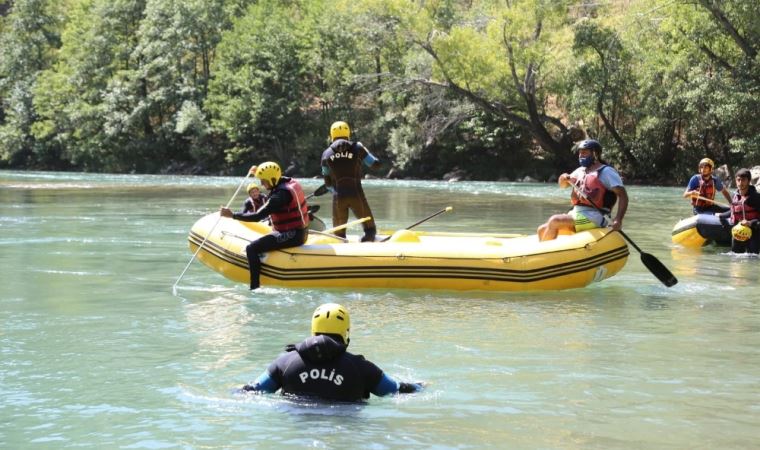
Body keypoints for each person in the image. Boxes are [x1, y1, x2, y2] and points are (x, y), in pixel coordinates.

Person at [241, 303, 424, 402]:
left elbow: (252, 390)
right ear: (346, 333)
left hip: (297, 431)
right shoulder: (361, 368)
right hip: (345, 432)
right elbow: (395, 390)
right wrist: (420, 386)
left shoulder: (285, 362)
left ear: (313, 330)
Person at [220, 161, 309, 290]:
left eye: (263, 180)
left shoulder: (279, 196)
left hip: (293, 235)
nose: (261, 184)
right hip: (300, 231)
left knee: (251, 248)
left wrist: (232, 215)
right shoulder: (288, 182)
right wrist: (257, 172)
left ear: (272, 179)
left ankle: (254, 287)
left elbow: (257, 216)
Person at [537, 139, 629, 241]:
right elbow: (563, 185)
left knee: (555, 220)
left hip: (595, 216)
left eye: (584, 152)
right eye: (580, 153)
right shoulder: (580, 171)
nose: (581, 155)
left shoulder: (606, 172)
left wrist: (618, 219)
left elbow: (623, 196)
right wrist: (562, 178)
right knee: (541, 229)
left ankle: (547, 255)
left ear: (595, 154)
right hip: (576, 213)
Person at [321, 121, 381, 242]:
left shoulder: (326, 154)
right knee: (370, 232)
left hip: (338, 197)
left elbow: (327, 182)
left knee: (338, 236)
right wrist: (364, 149)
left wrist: (335, 191)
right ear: (348, 133)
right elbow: (376, 165)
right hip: (357, 195)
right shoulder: (358, 148)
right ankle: (368, 243)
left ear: (332, 135)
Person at [717, 168, 760, 254]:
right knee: (735, 257)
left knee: (752, 258)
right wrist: (721, 216)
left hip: (754, 231)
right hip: (738, 231)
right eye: (738, 180)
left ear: (748, 181)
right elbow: (734, 211)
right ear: (736, 181)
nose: (740, 183)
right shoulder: (735, 196)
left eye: (743, 180)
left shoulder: (756, 197)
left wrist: (750, 223)